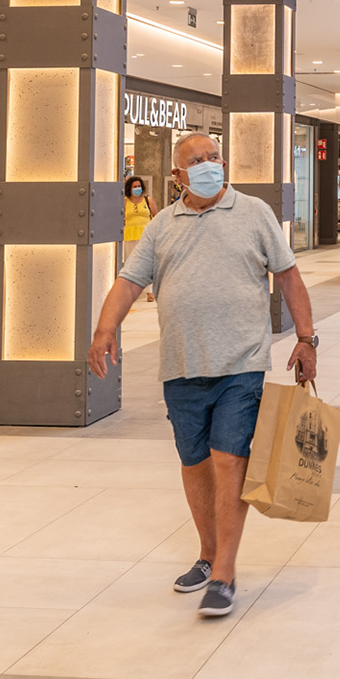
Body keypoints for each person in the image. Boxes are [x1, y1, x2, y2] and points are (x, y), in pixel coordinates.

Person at [87, 133, 317, 619]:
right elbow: (129, 282)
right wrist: (105, 329)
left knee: (229, 460)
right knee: (194, 463)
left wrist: (306, 338)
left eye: (215, 157)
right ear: (178, 175)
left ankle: (224, 575)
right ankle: (208, 554)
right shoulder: (161, 226)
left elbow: (289, 276)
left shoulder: (254, 212)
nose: (210, 165)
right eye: (197, 160)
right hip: (182, 364)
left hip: (241, 362)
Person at [124, 174, 155, 302]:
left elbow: (155, 216)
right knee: (131, 264)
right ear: (129, 189)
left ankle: (149, 291)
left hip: (145, 236)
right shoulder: (125, 202)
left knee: (146, 263)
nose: (137, 188)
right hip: (129, 235)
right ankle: (131, 291)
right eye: (135, 186)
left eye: (139, 186)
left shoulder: (148, 200)